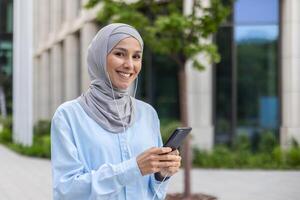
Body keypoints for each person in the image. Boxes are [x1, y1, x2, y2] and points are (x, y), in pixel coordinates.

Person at [51, 23, 181, 200]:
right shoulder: (68, 116)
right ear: (99, 57)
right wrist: (134, 168)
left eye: (136, 56)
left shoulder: (147, 114)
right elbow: (67, 191)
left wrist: (161, 175)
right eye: (119, 54)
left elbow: (153, 194)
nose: (129, 65)